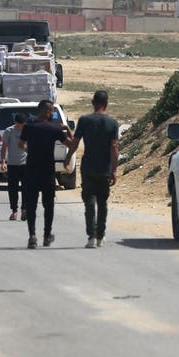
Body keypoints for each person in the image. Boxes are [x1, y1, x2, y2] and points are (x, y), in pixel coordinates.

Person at [67, 90, 120, 248]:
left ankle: (91, 236)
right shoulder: (112, 123)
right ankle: (101, 236)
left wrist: (68, 156)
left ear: (93, 102)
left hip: (88, 167)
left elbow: (75, 142)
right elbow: (114, 148)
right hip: (104, 168)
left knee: (89, 202)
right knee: (102, 203)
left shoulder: (84, 120)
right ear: (106, 103)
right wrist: (114, 170)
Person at [18, 100, 73, 248]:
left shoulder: (28, 127)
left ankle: (32, 236)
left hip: (31, 171)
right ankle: (47, 235)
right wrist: (67, 128)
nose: (53, 114)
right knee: (48, 205)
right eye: (53, 111)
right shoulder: (54, 129)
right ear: (47, 112)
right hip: (47, 172)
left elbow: (20, 144)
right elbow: (72, 144)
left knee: (31, 205)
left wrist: (30, 151)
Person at [0, 112, 28, 220]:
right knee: (13, 189)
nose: (21, 126)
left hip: (25, 164)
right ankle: (14, 211)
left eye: (23, 124)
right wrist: (3, 162)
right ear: (15, 122)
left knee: (26, 188)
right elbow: (4, 147)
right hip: (12, 164)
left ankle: (24, 210)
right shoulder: (9, 131)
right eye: (19, 124)